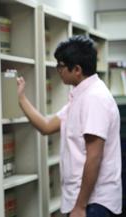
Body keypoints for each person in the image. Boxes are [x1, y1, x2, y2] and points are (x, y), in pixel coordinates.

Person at [16, 35, 122, 217]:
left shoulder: (94, 98)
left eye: (61, 65)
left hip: (94, 203)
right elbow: (47, 126)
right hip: (82, 201)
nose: (58, 70)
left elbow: (94, 157)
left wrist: (80, 206)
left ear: (77, 69)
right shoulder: (79, 96)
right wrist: (21, 98)